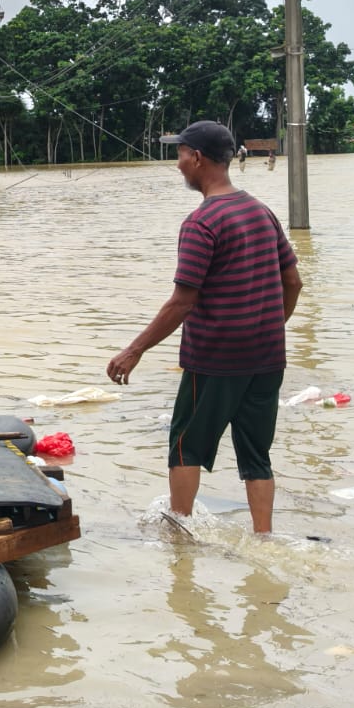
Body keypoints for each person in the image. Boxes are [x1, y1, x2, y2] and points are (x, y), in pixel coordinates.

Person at [106, 120, 303, 532]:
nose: (177, 164)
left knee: (185, 447)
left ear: (196, 158)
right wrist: (268, 327)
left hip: (215, 359)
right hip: (268, 358)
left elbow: (182, 301)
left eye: (180, 155)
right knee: (256, 456)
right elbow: (293, 281)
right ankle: (264, 538)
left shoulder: (202, 223)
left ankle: (180, 538)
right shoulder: (261, 211)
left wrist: (134, 349)